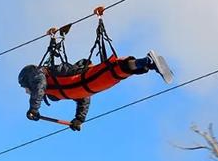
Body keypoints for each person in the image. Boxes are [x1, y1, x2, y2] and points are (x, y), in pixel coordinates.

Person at [18, 45, 172, 132]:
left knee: (112, 69)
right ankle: (148, 64)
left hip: (81, 78)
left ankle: (147, 60)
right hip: (85, 86)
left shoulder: (37, 76)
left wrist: (33, 108)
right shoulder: (52, 90)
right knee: (115, 75)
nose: (26, 91)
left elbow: (39, 86)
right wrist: (79, 118)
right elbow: (81, 96)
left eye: (25, 88)